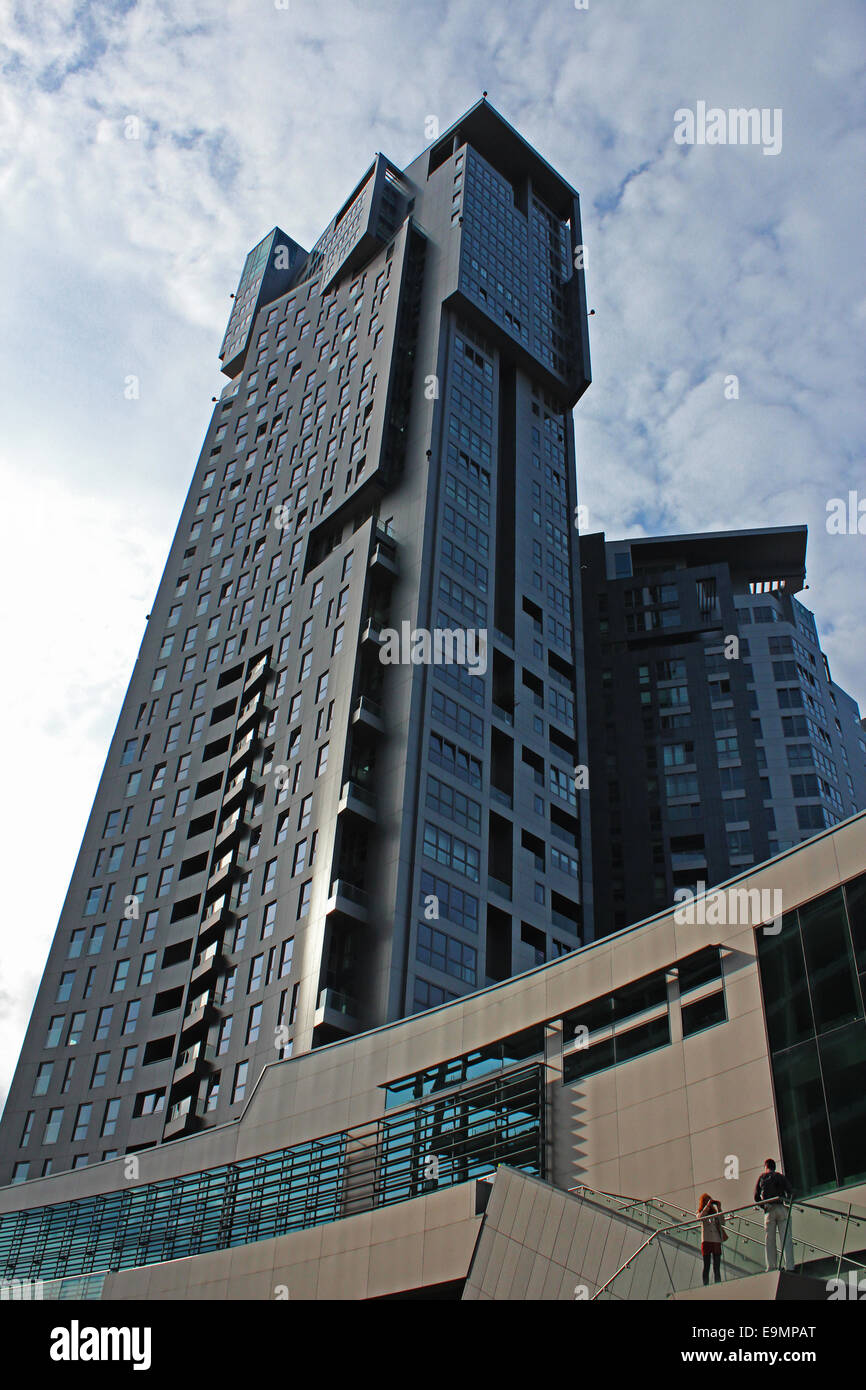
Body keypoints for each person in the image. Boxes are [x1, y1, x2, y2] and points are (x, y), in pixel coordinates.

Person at [754, 1158, 794, 1271]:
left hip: (769, 1210)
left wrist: (764, 1206)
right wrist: (786, 1200)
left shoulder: (762, 1177)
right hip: (781, 1207)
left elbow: (756, 1197)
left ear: (765, 1167)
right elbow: (790, 1191)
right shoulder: (780, 1176)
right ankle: (790, 1266)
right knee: (786, 1238)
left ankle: (771, 1266)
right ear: (774, 1167)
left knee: (770, 1240)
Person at [697, 1193, 725, 1286]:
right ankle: (706, 1284)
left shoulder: (715, 1213)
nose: (708, 1202)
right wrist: (707, 1207)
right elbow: (700, 1218)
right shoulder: (701, 1212)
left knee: (717, 1266)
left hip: (716, 1241)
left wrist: (719, 1208)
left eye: (709, 1200)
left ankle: (718, 1283)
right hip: (706, 1241)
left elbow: (723, 1222)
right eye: (706, 1200)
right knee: (707, 1265)